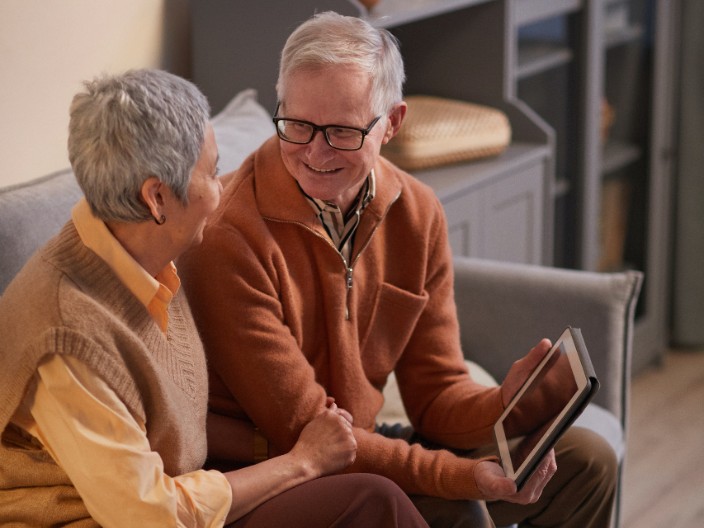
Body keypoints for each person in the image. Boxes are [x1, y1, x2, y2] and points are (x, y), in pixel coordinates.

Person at [179, 11, 618, 528]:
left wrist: (507, 403)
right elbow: (308, 430)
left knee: (587, 459)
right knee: (461, 509)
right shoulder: (229, 236)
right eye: (297, 125)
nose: (314, 152)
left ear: (392, 123)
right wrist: (464, 476)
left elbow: (435, 392)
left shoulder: (417, 211)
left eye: (342, 131)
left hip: (364, 443)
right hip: (279, 466)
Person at [0, 68, 430, 528]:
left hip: (182, 492)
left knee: (408, 500)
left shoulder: (147, 254)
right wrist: (301, 462)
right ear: (157, 198)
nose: (223, 188)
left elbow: (167, 423)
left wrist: (281, 446)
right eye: (211, 171)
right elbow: (147, 515)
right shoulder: (67, 337)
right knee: (373, 502)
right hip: (112, 520)